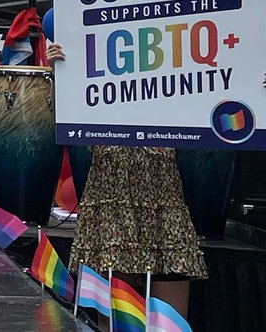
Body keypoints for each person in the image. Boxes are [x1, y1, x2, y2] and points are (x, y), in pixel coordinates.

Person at [48, 42, 206, 325]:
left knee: (171, 325)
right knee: (114, 322)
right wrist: (61, 72)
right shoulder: (97, 72)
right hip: (112, 209)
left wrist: (253, 89)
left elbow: (223, 98)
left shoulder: (175, 77)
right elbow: (62, 116)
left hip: (162, 208)